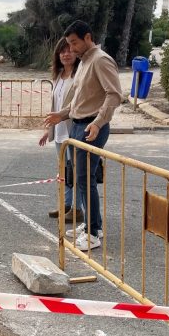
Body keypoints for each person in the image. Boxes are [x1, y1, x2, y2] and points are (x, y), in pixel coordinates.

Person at [44, 20, 122, 251]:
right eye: (69, 44)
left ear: (88, 37)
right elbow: (79, 100)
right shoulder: (85, 62)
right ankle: (89, 223)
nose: (72, 49)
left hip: (91, 127)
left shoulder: (101, 60)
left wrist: (98, 122)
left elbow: (114, 95)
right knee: (78, 178)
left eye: (74, 43)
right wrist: (62, 114)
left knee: (86, 179)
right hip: (77, 125)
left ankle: (93, 232)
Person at [38, 37, 82, 221]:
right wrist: (49, 131)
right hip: (59, 133)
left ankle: (77, 209)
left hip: (74, 131)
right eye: (62, 51)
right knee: (64, 172)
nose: (66, 54)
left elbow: (78, 105)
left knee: (76, 173)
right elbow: (56, 106)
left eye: (69, 50)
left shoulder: (80, 76)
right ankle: (66, 205)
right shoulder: (57, 77)